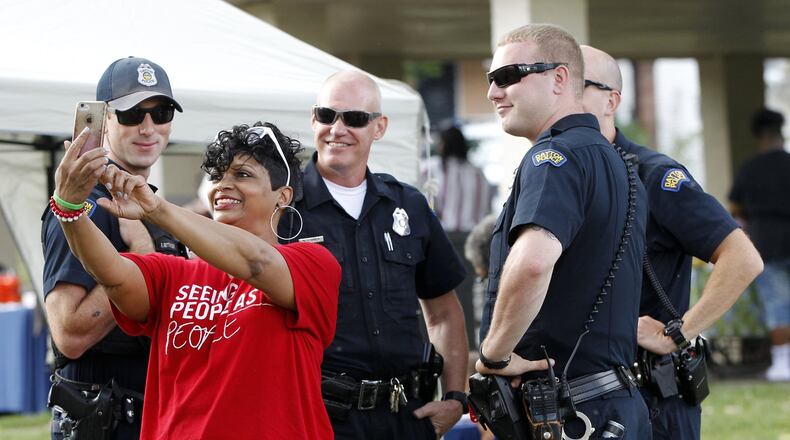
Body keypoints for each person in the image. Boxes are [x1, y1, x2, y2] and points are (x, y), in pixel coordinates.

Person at [50, 121, 341, 438]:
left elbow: (257, 262)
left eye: (241, 175)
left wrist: (156, 208)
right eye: (218, 176)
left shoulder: (313, 264)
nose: (222, 186)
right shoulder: (176, 272)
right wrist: (70, 206)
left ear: (282, 196)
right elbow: (111, 273)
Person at [476, 24, 651, 439]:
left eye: (508, 76)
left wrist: (495, 354)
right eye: (490, 78)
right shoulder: (618, 163)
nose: (493, 92)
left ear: (559, 79)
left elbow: (534, 261)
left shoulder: (554, 157)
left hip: (572, 413)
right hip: (613, 407)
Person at [581, 44, 764, 439]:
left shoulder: (653, 176)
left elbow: (742, 257)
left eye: (576, 86)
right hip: (586, 397)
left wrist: (678, 333)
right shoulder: (565, 178)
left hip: (651, 398)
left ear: (611, 100)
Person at [280, 70, 469, 439]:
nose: (337, 128)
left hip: (407, 418)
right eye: (326, 115)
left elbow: (444, 311)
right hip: (320, 418)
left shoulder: (408, 204)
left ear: (379, 127)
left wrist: (456, 397)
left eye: (354, 119)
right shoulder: (282, 208)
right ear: (312, 119)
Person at [41, 56, 188, 439]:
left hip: (156, 416)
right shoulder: (83, 204)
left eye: (161, 112)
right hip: (106, 420)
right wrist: (141, 260)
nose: (148, 127)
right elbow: (69, 334)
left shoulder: (156, 207)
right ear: (104, 120)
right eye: (131, 114)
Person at [729, 108, 790, 382]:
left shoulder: (749, 169)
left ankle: (782, 364)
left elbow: (733, 208)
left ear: (758, 137)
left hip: (767, 241)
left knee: (777, 304)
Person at [423, 126, 493, 349]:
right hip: (471, 238)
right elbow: (485, 209)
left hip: (444, 237)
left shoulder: (433, 168)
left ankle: (436, 345)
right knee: (466, 296)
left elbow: (427, 205)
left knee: (437, 296)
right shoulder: (478, 172)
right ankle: (469, 345)